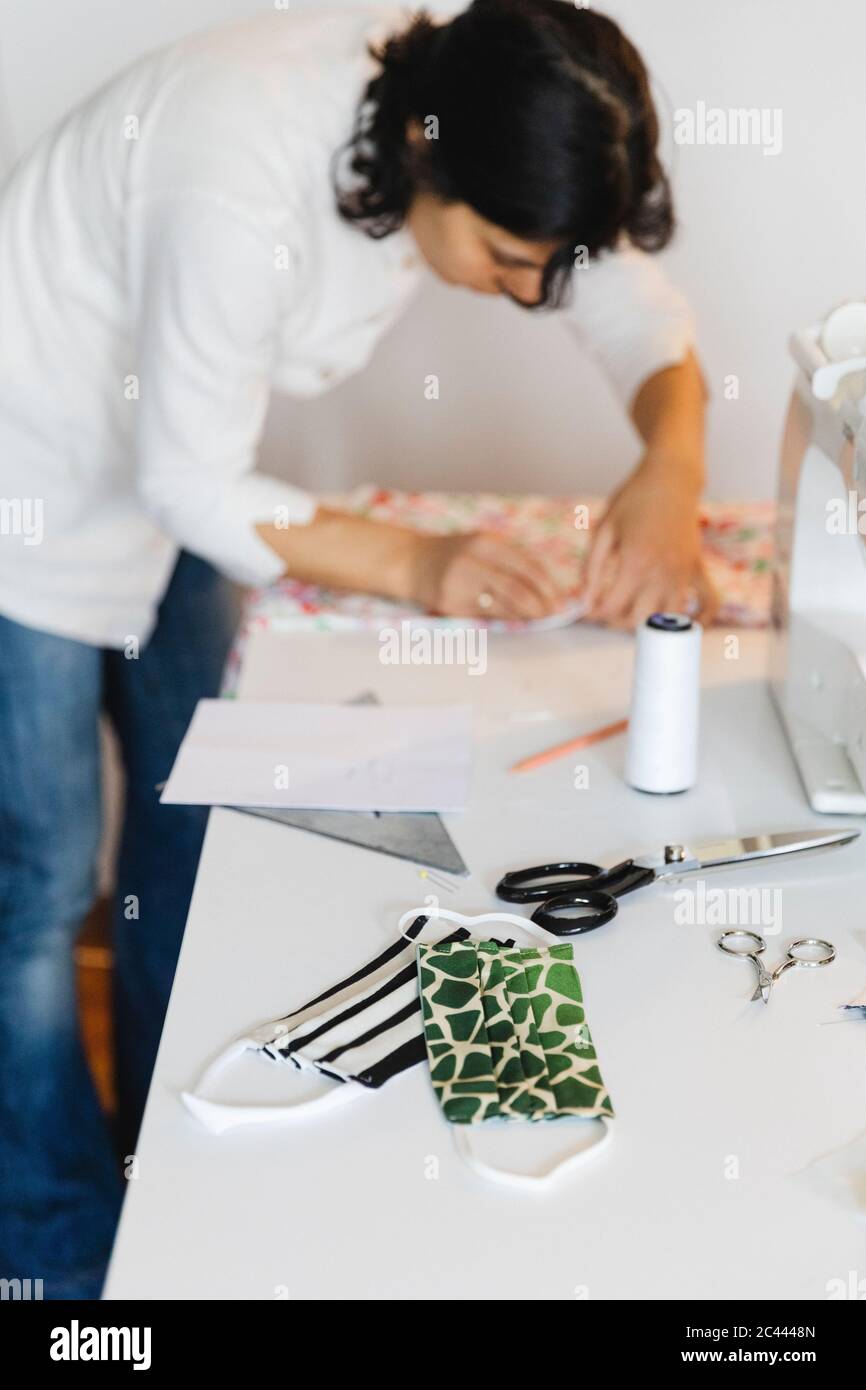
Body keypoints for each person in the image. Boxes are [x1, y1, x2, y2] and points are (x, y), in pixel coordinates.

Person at [0, 0, 711, 1298]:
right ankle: (54, 1253)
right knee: (36, 886)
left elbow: (633, 318)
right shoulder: (237, 159)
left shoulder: (491, 109)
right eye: (507, 257)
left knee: (200, 825)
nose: (526, 294)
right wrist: (417, 565)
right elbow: (192, 478)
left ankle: (169, 1165)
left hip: (169, 468)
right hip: (27, 467)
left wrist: (668, 465)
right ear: (428, 171)